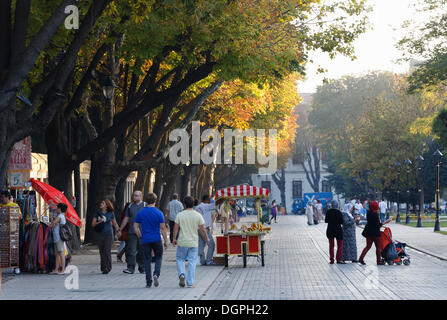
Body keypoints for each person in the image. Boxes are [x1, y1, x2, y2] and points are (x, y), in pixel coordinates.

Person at [172, 196, 209, 288]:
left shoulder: (180, 215)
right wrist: (207, 238)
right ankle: (190, 282)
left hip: (182, 242)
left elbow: (175, 228)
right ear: (193, 204)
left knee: (180, 259)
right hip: (193, 242)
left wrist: (174, 239)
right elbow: (203, 229)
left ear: (184, 204)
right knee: (192, 262)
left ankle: (181, 274)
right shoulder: (197, 215)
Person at [133, 193, 168, 288]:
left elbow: (135, 226)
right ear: (155, 201)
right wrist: (165, 240)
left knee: (147, 260)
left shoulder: (141, 212)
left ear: (146, 201)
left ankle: (148, 282)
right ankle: (156, 273)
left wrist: (140, 235)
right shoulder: (159, 213)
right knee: (158, 258)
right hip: (156, 238)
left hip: (145, 239)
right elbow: (163, 228)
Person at [118, 190, 147, 274]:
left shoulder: (145, 205)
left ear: (141, 196)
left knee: (142, 250)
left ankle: (142, 267)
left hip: (143, 232)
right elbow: (126, 218)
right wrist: (121, 228)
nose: (135, 197)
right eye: (134, 195)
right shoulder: (130, 206)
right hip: (132, 232)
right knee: (131, 250)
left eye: (137, 195)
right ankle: (130, 268)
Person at [358, 201, 392, 265]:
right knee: (378, 247)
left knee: (368, 246)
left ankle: (361, 258)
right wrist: (386, 222)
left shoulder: (369, 213)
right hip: (375, 233)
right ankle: (378, 261)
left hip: (368, 233)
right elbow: (378, 224)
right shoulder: (375, 214)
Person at [91, 200, 120, 274]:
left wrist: (118, 231)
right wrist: (100, 221)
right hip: (100, 234)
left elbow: (115, 223)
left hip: (108, 234)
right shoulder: (97, 213)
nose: (101, 204)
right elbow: (93, 224)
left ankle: (108, 267)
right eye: (101, 203)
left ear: (107, 205)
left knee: (107, 251)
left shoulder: (111, 213)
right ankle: (103, 267)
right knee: (102, 251)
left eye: (102, 203)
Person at [195, 195, 217, 266]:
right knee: (211, 244)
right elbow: (216, 204)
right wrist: (222, 198)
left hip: (199, 228)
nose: (210, 201)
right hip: (205, 228)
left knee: (201, 245)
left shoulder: (198, 207)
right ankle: (209, 260)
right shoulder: (206, 206)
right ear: (206, 199)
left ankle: (202, 261)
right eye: (209, 199)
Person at [50, 203, 68, 274]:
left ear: (60, 209)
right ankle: (56, 269)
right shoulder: (60, 216)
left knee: (61, 252)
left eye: (57, 208)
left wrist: (51, 217)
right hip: (56, 237)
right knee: (57, 253)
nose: (56, 209)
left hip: (59, 237)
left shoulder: (60, 216)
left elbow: (53, 223)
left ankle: (63, 270)